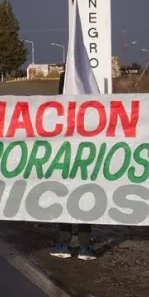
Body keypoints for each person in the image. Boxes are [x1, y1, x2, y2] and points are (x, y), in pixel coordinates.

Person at [50, 67, 96, 260]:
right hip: (83, 160)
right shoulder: (92, 110)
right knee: (84, 198)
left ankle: (66, 244)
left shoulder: (55, 111)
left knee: (68, 198)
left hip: (67, 161)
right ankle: (83, 246)